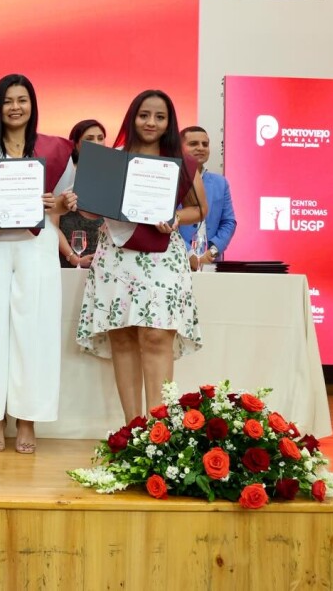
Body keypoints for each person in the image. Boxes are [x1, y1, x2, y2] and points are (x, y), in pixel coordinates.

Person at [0, 75, 76, 453]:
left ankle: (27, 421)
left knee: (34, 333)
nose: (15, 107)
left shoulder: (53, 149)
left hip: (36, 246)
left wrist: (56, 204)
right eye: (7, 101)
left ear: (32, 105)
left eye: (22, 100)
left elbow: (63, 204)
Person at [76, 90, 207, 422]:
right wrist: (82, 199)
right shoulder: (111, 159)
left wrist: (176, 218)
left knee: (156, 335)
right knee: (122, 337)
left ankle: (158, 432)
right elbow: (90, 212)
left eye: (159, 117)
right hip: (116, 254)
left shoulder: (180, 161)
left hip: (162, 255)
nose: (151, 122)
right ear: (132, 117)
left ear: (169, 122)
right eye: (144, 115)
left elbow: (199, 209)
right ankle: (132, 430)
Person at [178, 125, 236, 266]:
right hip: (176, 259)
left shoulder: (220, 183)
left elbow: (228, 222)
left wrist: (213, 251)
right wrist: (189, 254)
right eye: (193, 144)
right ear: (179, 148)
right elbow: (167, 222)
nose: (201, 148)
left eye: (205, 144)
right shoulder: (170, 178)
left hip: (210, 262)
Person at [57, 119, 107, 268]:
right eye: (89, 139)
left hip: (106, 260)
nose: (96, 143)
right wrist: (74, 258)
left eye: (100, 138)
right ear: (75, 144)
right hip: (68, 260)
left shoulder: (113, 174)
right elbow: (51, 222)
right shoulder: (64, 173)